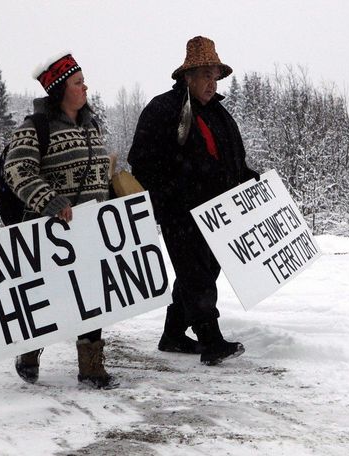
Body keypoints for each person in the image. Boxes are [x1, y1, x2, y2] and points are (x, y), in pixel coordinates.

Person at [128, 36, 260, 365]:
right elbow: (141, 162)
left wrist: (247, 177)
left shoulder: (220, 115)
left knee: (204, 271)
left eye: (215, 77)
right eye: (205, 76)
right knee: (195, 273)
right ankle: (210, 338)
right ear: (187, 77)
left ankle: (173, 333)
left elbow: (233, 160)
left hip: (218, 214)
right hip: (179, 212)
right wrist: (174, 189)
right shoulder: (162, 109)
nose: (211, 84)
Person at [4, 53, 113, 387]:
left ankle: (91, 366)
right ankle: (29, 348)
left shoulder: (91, 126)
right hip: (50, 232)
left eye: (83, 82)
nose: (85, 88)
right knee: (46, 297)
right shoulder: (34, 129)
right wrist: (49, 200)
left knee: (90, 295)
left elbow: (97, 173)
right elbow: (16, 170)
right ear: (60, 90)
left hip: (88, 230)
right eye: (78, 83)